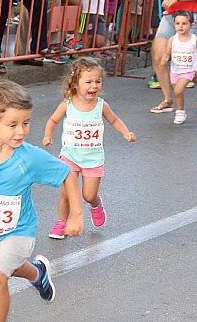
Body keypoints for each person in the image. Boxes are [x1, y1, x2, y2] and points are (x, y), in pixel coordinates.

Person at [0, 79, 84, 321]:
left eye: (26, 123)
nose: (21, 131)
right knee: (11, 268)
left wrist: (76, 215)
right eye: (12, 125)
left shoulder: (29, 157)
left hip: (21, 231)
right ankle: (37, 274)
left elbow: (67, 174)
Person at [43, 57, 136, 238]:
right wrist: (48, 135)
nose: (94, 86)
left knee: (88, 195)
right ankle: (61, 223)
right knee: (66, 193)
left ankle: (96, 204)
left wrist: (125, 132)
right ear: (75, 83)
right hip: (69, 155)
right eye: (89, 82)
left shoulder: (101, 105)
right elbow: (53, 119)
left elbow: (114, 120)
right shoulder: (68, 104)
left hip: (92, 159)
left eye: (98, 81)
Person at [161, 11, 197, 124]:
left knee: (178, 90)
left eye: (184, 23)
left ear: (191, 25)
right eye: (177, 23)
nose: (180, 26)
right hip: (175, 70)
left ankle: (180, 112)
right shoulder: (172, 39)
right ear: (174, 24)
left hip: (188, 70)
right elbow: (167, 52)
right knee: (177, 92)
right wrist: (165, 58)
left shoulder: (194, 39)